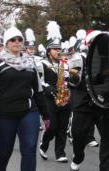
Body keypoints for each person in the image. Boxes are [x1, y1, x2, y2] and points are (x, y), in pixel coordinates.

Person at [0, 26, 50, 171]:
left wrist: (46, 114)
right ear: (6, 43)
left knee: (29, 149)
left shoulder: (30, 63)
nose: (17, 43)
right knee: (4, 151)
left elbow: (39, 90)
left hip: (28, 112)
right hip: (4, 115)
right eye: (13, 40)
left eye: (19, 40)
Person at [68, 29, 109, 171]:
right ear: (89, 43)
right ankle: (77, 157)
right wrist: (74, 76)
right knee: (78, 135)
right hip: (84, 103)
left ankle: (106, 165)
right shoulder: (79, 58)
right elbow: (73, 82)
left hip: (103, 101)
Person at [39, 21, 71, 163]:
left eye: (59, 48)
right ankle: (44, 144)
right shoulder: (42, 63)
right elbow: (39, 80)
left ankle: (60, 153)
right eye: (55, 49)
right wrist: (49, 89)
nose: (58, 51)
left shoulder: (64, 64)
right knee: (52, 127)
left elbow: (70, 80)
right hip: (49, 98)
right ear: (48, 51)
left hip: (64, 98)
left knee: (63, 127)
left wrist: (70, 77)